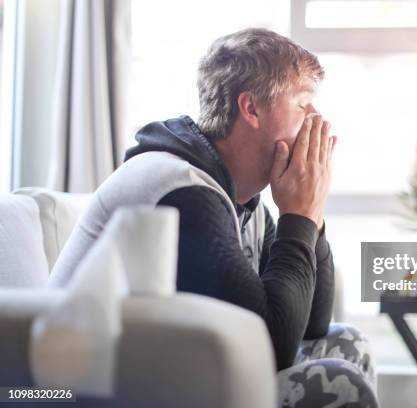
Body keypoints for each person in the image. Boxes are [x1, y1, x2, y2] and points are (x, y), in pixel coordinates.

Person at [50, 28, 378, 407]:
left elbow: (312, 327)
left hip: (179, 376)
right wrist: (299, 213)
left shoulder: (243, 200)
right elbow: (271, 351)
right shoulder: (181, 191)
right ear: (251, 108)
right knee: (338, 382)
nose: (316, 119)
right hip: (100, 390)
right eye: (303, 104)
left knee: (346, 343)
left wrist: (311, 212)